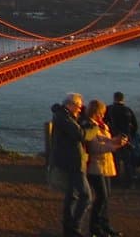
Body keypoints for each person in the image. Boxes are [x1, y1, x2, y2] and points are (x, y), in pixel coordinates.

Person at [50, 92, 98, 237]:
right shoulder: (64, 118)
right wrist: (94, 129)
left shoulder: (66, 116)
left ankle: (69, 231)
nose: (80, 109)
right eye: (78, 106)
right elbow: (81, 135)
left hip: (72, 161)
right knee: (86, 196)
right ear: (70, 105)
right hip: (73, 162)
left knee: (73, 196)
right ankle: (75, 229)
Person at [83, 99, 128, 237]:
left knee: (106, 197)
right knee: (101, 197)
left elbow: (104, 140)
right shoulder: (89, 126)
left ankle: (104, 225)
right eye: (101, 113)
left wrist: (116, 140)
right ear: (95, 112)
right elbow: (95, 147)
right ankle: (95, 228)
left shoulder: (101, 125)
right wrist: (116, 146)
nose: (103, 116)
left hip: (106, 165)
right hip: (95, 167)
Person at [106, 91, 138, 186]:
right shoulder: (128, 110)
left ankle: (115, 180)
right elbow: (135, 125)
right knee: (127, 160)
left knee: (115, 159)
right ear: (123, 99)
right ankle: (130, 181)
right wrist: (129, 135)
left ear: (114, 98)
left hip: (113, 137)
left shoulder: (109, 109)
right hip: (126, 138)